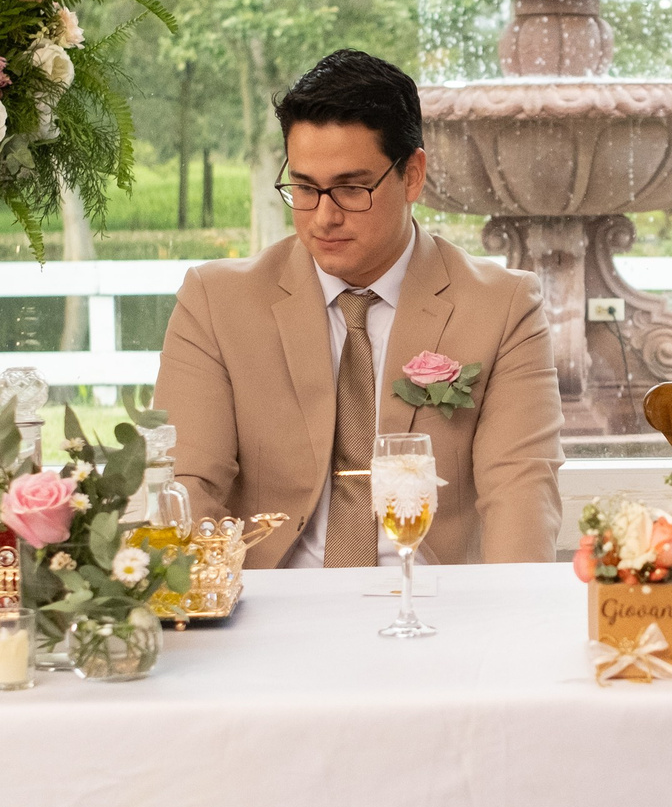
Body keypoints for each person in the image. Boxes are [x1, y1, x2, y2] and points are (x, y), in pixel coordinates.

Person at [153, 50, 564, 567]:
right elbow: (184, 484)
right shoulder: (216, 303)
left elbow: (521, 490)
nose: (323, 217)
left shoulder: (502, 307)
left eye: (350, 189)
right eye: (304, 188)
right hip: (269, 610)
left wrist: (507, 627)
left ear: (412, 175)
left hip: (430, 610)